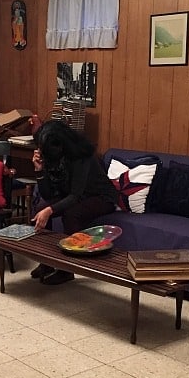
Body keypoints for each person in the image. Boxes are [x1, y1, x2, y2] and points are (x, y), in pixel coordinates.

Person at [31, 120, 117, 284]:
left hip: (100, 197)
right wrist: (39, 170)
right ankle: (47, 262)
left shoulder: (81, 156)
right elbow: (48, 194)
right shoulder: (50, 155)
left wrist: (50, 210)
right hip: (72, 194)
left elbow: (76, 195)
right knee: (40, 207)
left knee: (71, 214)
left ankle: (67, 270)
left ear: (61, 145)